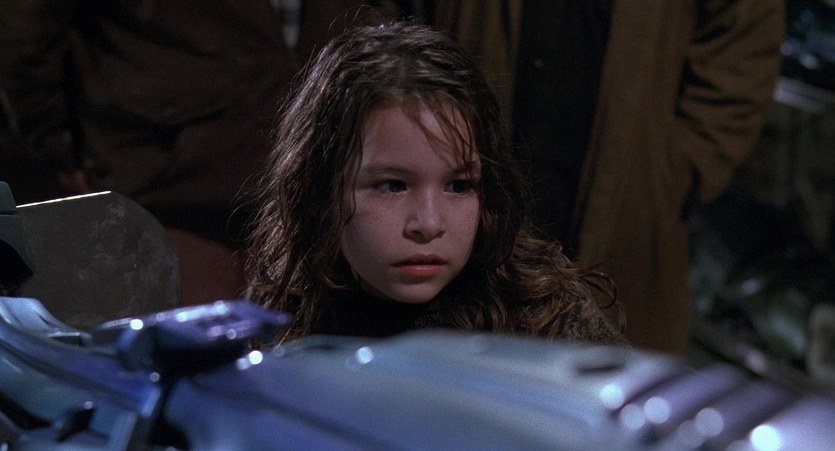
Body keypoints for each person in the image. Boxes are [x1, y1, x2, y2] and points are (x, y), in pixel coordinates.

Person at [432, 1, 785, 354]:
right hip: (463, 203)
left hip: (623, 217)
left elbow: (745, 36)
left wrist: (677, 170)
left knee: (602, 364)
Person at [246, 22, 624, 344]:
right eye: (392, 186)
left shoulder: (545, 318)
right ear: (319, 192)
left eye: (459, 186)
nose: (428, 224)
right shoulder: (283, 311)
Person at [0, 1, 397, 306]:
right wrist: (61, 147)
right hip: (167, 185)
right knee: (183, 368)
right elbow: (24, 37)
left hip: (320, 181)